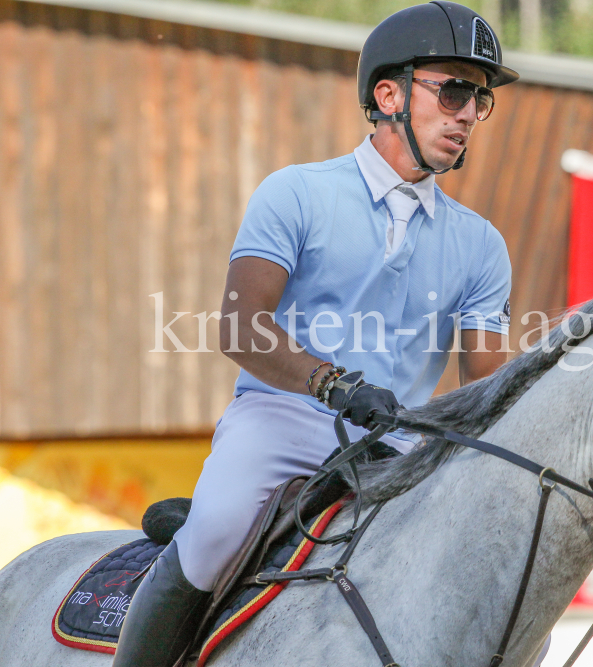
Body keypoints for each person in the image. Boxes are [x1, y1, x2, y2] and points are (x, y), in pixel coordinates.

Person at [113, 3, 517, 665]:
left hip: (400, 443)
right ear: (388, 94)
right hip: (282, 421)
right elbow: (242, 327)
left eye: (479, 99)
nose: (469, 112)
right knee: (214, 532)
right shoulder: (295, 193)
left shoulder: (482, 245)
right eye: (453, 91)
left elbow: (492, 383)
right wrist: (334, 383)